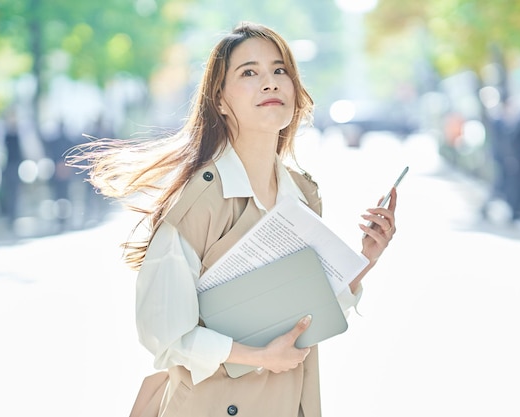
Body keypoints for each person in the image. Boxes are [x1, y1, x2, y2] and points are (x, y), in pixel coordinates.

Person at [66, 22, 398, 417]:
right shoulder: (197, 202)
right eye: (249, 73)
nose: (270, 83)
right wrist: (258, 355)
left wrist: (365, 260)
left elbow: (306, 312)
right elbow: (166, 338)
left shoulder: (304, 194)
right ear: (220, 100)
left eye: (279, 71)